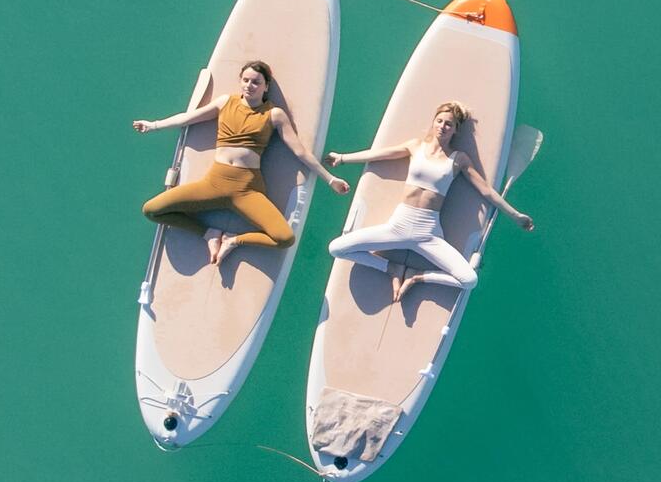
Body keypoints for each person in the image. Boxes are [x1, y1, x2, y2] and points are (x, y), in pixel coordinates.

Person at [134, 60, 349, 265]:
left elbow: (300, 152)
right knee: (151, 210)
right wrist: (153, 125)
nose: (250, 86)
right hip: (214, 185)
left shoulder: (274, 114)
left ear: (266, 87)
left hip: (247, 190)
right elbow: (188, 118)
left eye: (256, 82)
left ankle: (232, 240)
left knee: (284, 239)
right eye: (246, 80)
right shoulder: (226, 102)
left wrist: (330, 179)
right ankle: (209, 234)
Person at [325, 101, 534, 302]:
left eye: (449, 124)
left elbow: (486, 190)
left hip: (428, 233)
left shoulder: (458, 159)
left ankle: (417, 276)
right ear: (433, 122)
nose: (443, 127)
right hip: (398, 226)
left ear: (455, 130)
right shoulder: (415, 146)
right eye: (440, 121)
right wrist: (342, 158)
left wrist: (515, 215)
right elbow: (379, 155)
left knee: (469, 280)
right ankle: (391, 269)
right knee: (337, 248)